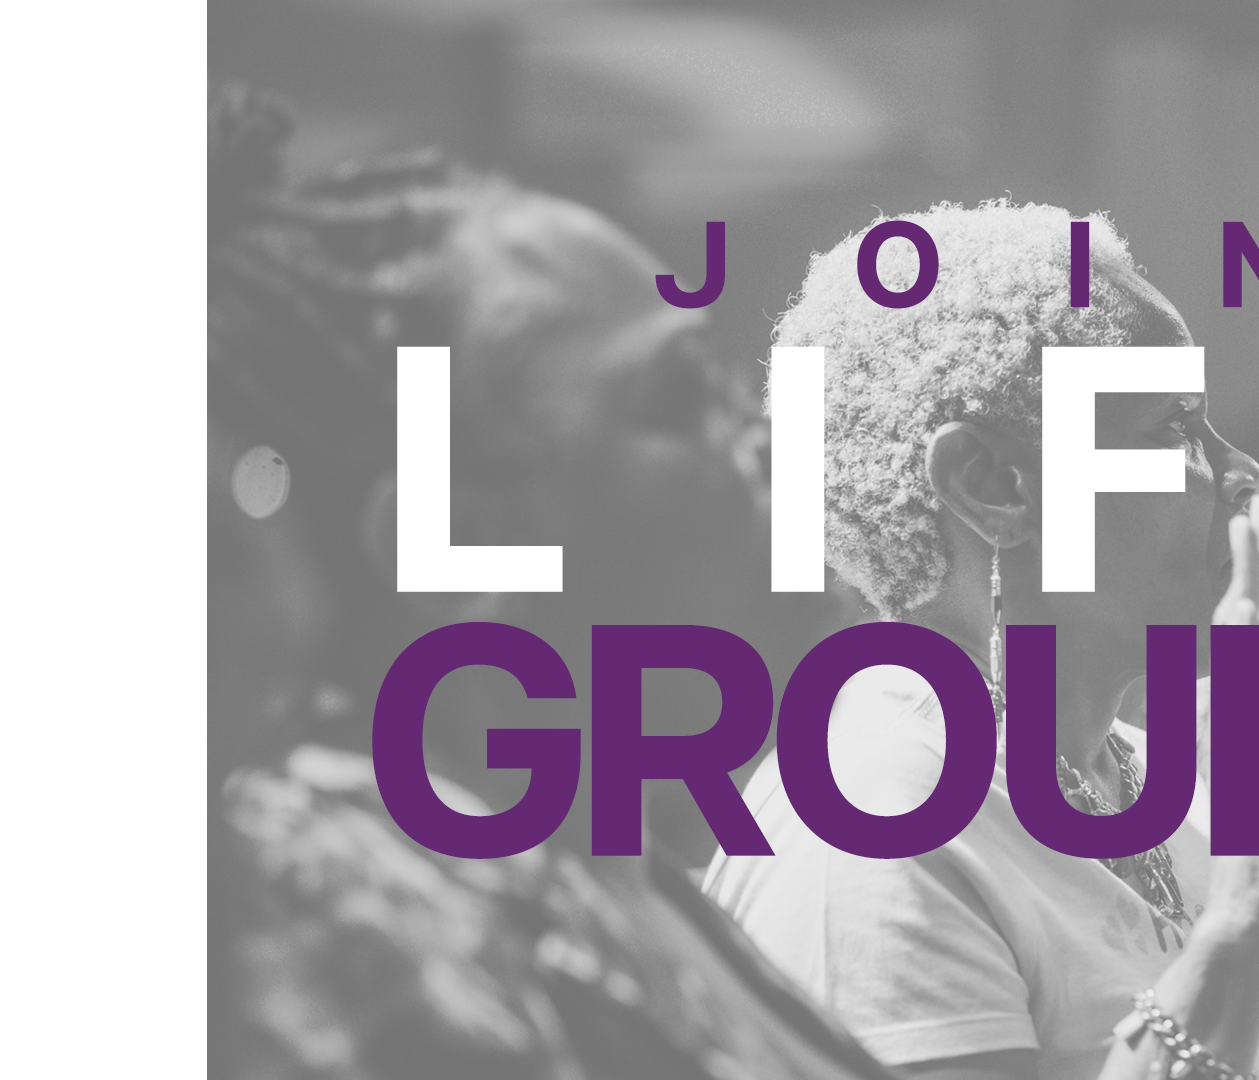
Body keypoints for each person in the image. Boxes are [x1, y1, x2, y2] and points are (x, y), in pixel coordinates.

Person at [705, 201, 1259, 1080]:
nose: (1239, 471)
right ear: (993, 485)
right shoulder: (878, 817)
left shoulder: (1140, 782)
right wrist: (1244, 932)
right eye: (1174, 428)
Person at [210, 85, 887, 1080]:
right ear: (457, 543)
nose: (769, 438)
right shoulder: (347, 917)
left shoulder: (603, 869)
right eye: (679, 393)